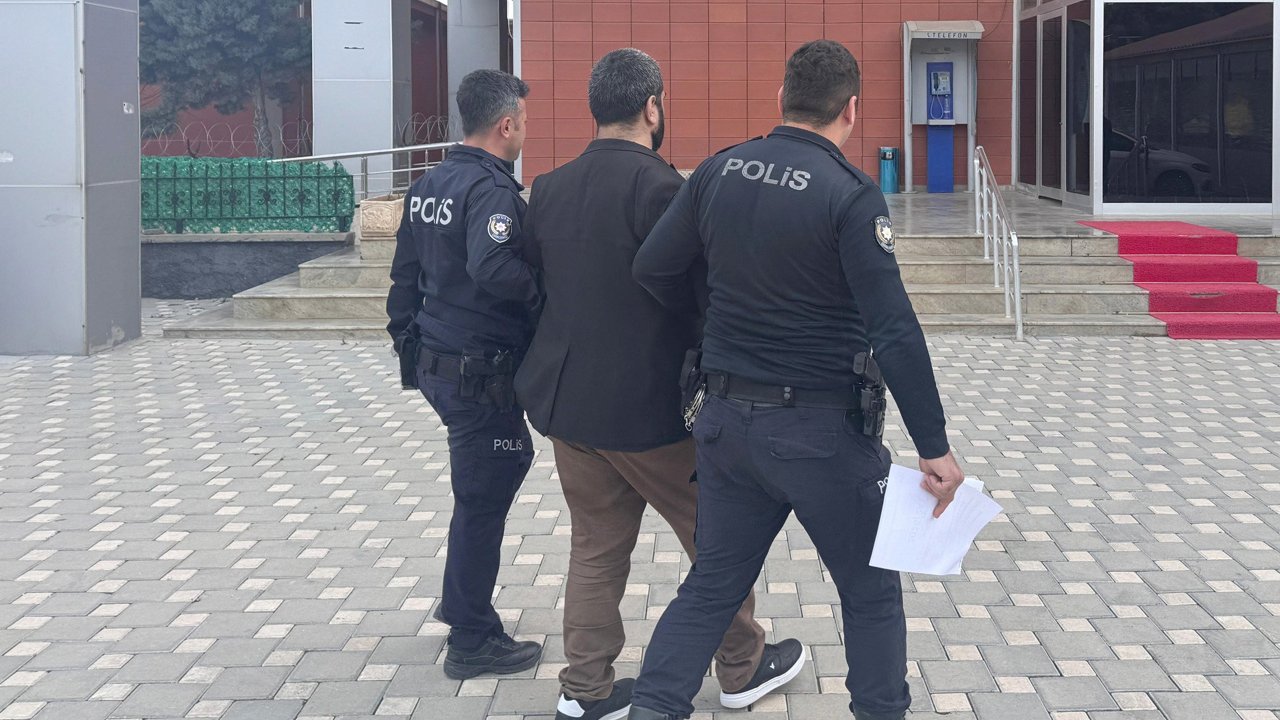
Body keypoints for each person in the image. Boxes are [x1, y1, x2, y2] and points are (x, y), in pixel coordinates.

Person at [626, 40, 966, 720]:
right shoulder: (851, 194)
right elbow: (894, 330)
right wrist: (934, 447)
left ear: (781, 98)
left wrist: (720, 326)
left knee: (712, 586)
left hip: (726, 426)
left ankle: (652, 709)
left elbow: (652, 267)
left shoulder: (718, 170)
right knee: (870, 594)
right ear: (852, 110)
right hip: (821, 437)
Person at [515, 48, 802, 720]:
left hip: (569, 408)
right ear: (652, 107)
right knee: (717, 540)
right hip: (652, 415)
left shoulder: (548, 189)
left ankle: (585, 689)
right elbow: (702, 298)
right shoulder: (667, 190)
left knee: (594, 548)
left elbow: (539, 289)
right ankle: (742, 665)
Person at [386, 68, 543, 680]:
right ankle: (472, 638)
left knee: (488, 476)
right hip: (478, 370)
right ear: (506, 125)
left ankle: (461, 603)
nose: (525, 132)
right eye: (523, 122)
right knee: (483, 494)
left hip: (440, 361)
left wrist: (408, 344)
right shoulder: (492, 190)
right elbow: (493, 267)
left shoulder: (429, 182)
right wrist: (544, 297)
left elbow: (404, 276)